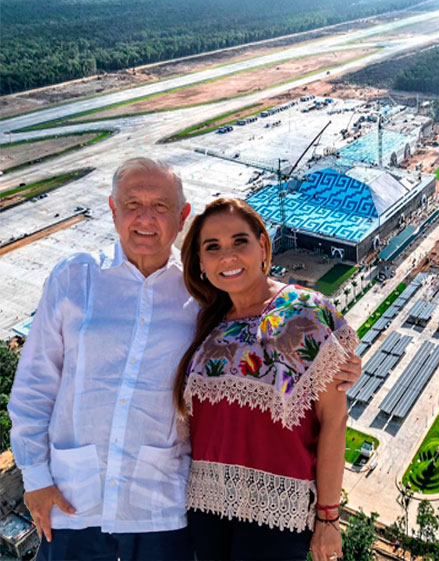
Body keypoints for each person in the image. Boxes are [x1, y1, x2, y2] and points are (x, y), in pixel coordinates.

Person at [8, 158, 361, 561]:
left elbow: (313, 383)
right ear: (112, 209)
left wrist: (344, 361)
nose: (145, 218)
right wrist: (35, 477)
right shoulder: (75, 279)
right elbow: (34, 387)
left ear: (182, 217)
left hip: (161, 511)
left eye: (160, 206)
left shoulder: (201, 296)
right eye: (132, 204)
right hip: (75, 503)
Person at [175, 198, 357, 561]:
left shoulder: (307, 312)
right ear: (200, 264)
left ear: (262, 245)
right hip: (204, 505)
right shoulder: (203, 322)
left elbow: (334, 421)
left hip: (279, 514)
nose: (227, 256)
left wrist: (329, 518)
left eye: (239, 241)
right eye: (212, 248)